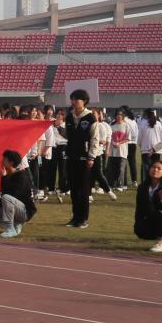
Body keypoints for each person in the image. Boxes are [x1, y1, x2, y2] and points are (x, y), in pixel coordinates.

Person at [59, 90, 97, 229]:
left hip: (84, 158)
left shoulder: (90, 118)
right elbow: (68, 135)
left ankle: (83, 219)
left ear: (84, 101)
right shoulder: (70, 116)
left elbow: (94, 139)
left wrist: (91, 156)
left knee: (83, 190)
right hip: (71, 156)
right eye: (72, 99)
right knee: (74, 189)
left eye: (76, 99)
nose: (73, 102)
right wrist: (59, 128)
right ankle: (75, 217)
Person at [0, 150, 37, 238]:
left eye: (4, 159)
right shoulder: (9, 176)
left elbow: (12, 194)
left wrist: (4, 178)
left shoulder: (22, 176)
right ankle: (15, 225)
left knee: (7, 197)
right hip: (14, 207)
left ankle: (10, 229)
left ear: (11, 163)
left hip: (25, 212)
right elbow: (6, 196)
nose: (1, 161)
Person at [133, 159, 162, 253]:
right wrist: (138, 222)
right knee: (139, 230)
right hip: (151, 217)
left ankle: (160, 242)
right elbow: (139, 208)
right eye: (153, 167)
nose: (155, 170)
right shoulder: (142, 187)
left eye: (159, 168)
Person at [109, 110, 131, 191]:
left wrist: (119, 143)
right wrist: (113, 143)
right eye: (117, 115)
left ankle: (120, 185)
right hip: (113, 151)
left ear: (123, 116)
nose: (118, 116)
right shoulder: (112, 126)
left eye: (120, 115)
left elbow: (128, 138)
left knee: (121, 169)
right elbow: (109, 137)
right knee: (113, 169)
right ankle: (112, 184)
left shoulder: (126, 126)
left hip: (122, 151)